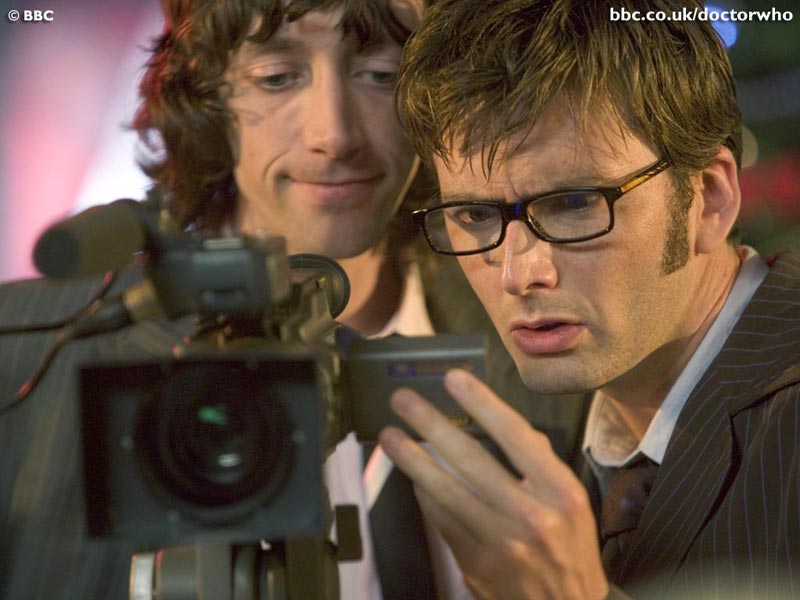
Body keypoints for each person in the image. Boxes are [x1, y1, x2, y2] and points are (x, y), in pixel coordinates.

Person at [0, 1, 587, 598]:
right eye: (277, 78)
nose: (333, 135)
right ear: (205, 95)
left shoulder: (548, 333)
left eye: (380, 74)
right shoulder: (29, 351)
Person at [380, 0, 800, 598]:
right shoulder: (533, 405)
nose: (519, 274)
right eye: (474, 215)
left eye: (575, 204)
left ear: (709, 199)